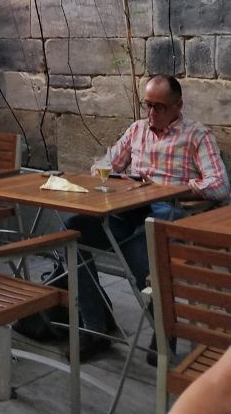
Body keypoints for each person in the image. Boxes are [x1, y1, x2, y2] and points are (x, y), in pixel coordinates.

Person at [65, 74, 229, 360]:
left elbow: (220, 185)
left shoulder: (196, 135)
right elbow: (106, 163)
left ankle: (165, 332)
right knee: (74, 232)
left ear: (178, 105)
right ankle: (94, 327)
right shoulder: (137, 130)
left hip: (168, 209)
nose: (151, 113)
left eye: (159, 107)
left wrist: (176, 189)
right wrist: (109, 174)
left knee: (140, 248)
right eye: (147, 105)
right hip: (128, 207)